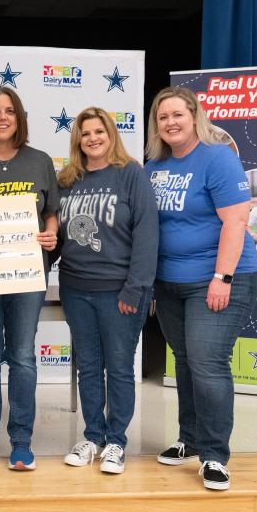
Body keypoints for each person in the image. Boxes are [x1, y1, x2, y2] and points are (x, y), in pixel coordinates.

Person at [145, 86, 257, 491]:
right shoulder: (153, 166)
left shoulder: (218, 159)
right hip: (170, 282)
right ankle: (190, 439)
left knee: (208, 361)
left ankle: (215, 455)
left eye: (178, 114)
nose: (170, 123)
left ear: (195, 116)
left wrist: (222, 277)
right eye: (163, 117)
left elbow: (235, 221)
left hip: (219, 277)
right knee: (185, 358)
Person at [55, 107, 157, 475]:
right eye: (85, 133)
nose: (92, 138)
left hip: (120, 291)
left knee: (118, 368)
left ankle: (116, 442)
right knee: (88, 367)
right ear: (77, 140)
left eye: (99, 131)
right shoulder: (68, 179)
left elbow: (147, 235)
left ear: (111, 134)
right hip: (76, 288)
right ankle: (92, 436)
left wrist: (136, 289)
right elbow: (57, 236)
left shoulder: (131, 174)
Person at [0, 86, 58, 471]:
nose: (2, 118)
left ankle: (21, 442)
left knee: (22, 358)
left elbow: (51, 212)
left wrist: (51, 233)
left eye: (9, 111)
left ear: (19, 118)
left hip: (27, 274)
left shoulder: (40, 162)